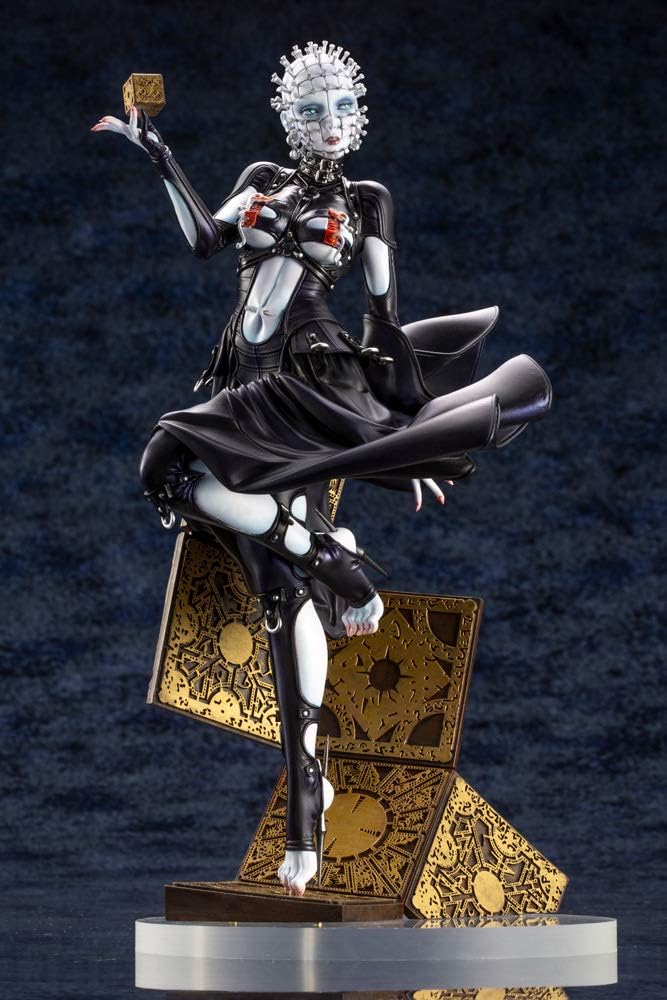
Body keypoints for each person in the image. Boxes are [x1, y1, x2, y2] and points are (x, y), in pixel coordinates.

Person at [92, 41, 552, 896]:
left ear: (360, 115)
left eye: (343, 107)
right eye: (312, 109)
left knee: (164, 463)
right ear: (286, 116)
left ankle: (330, 567)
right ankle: (313, 763)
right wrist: (157, 153)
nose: (330, 123)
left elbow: (383, 318)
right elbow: (204, 240)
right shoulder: (261, 177)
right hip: (241, 376)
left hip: (311, 375)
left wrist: (408, 428)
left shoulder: (368, 200)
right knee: (272, 585)